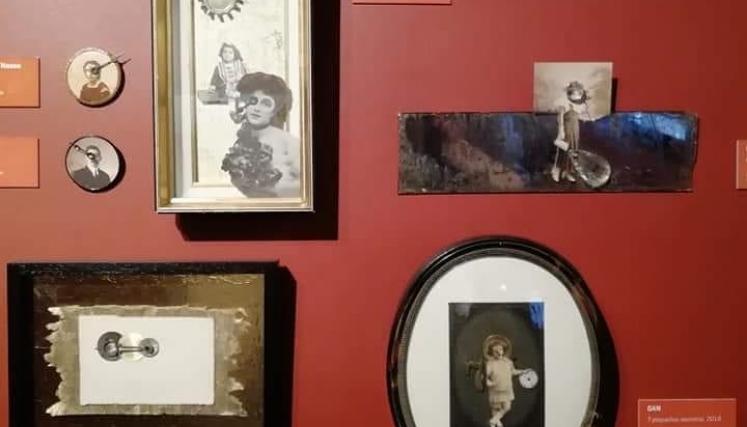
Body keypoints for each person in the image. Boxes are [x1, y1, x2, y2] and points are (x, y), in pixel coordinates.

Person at [222, 72, 300, 195]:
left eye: (266, 103)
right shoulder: (241, 143)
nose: (256, 108)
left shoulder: (289, 143)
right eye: (253, 101)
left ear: (275, 110)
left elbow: (307, 187)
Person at [483, 335, 530, 427]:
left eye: (500, 350)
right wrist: (488, 382)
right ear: (491, 352)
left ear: (503, 350)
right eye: (495, 351)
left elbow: (513, 371)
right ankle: (496, 424)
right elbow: (485, 376)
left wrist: (522, 371)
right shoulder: (490, 364)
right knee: (495, 408)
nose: (498, 352)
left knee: (507, 407)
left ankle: (493, 421)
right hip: (495, 389)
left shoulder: (508, 362)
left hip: (506, 389)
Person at [551, 81, 592, 183]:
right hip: (566, 130)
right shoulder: (563, 104)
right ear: (570, 94)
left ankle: (568, 171)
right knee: (563, 150)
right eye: (576, 94)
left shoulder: (576, 105)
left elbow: (580, 116)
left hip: (575, 130)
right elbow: (560, 119)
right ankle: (556, 170)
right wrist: (561, 131)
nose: (578, 98)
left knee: (573, 150)